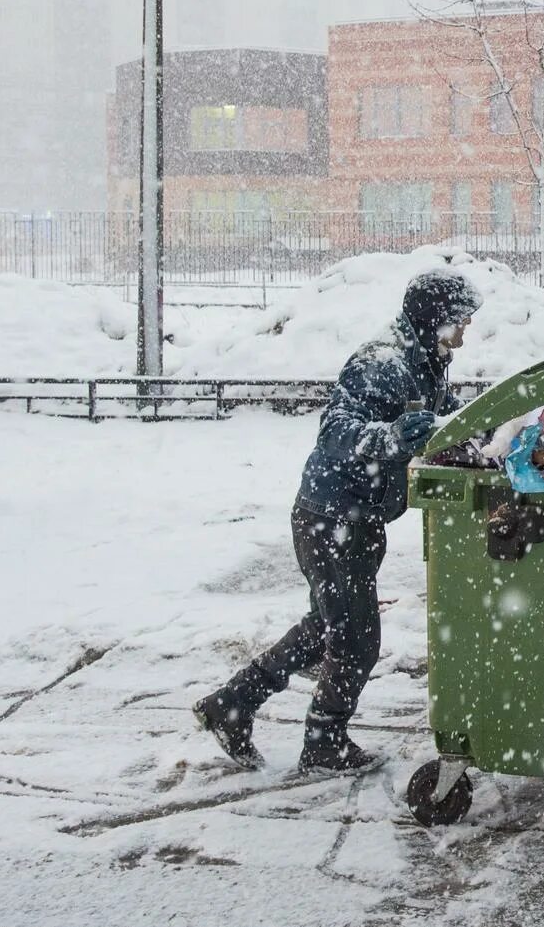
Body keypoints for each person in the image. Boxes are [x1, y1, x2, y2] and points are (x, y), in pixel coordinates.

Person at [193, 267, 482, 774]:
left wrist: (482, 427)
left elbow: (443, 414)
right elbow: (337, 432)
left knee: (324, 628)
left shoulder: (426, 361)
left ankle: (231, 705)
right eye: (460, 320)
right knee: (355, 637)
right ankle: (324, 741)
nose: (465, 332)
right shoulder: (381, 362)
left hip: (356, 516)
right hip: (331, 518)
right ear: (434, 318)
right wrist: (390, 438)